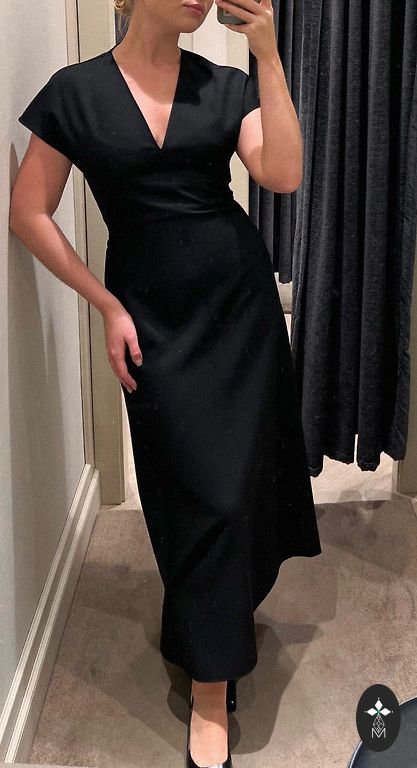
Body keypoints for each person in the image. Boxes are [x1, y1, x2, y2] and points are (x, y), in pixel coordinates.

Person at [9, 0, 322, 766]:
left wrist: (268, 56)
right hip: (148, 316)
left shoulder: (225, 86)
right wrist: (104, 304)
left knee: (234, 488)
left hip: (236, 307)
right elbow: (29, 212)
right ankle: (210, 635)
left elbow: (282, 173)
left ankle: (211, 674)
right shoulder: (75, 93)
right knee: (189, 489)